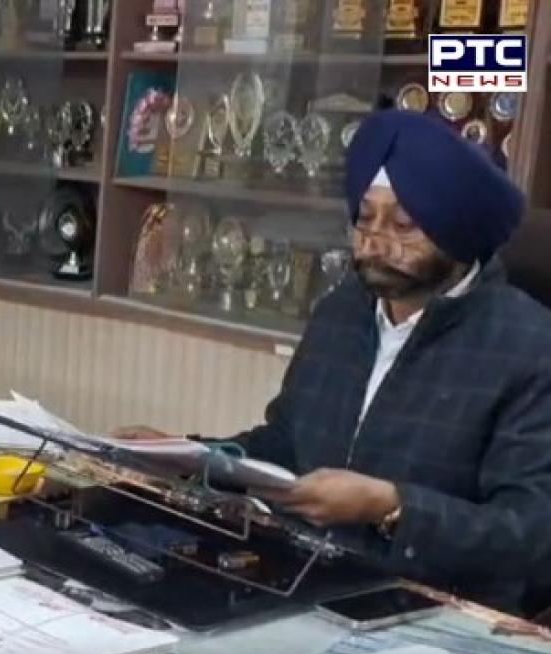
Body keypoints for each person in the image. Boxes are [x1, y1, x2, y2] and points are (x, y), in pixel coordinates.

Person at [116, 110, 551, 617]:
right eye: (364, 218)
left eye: (403, 225)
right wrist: (189, 456)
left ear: (458, 232)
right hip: (302, 582)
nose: (374, 241)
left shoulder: (529, 345)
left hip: (433, 613)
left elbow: (530, 534)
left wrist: (393, 507)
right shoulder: (342, 311)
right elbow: (286, 446)